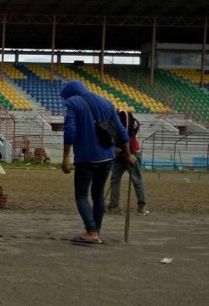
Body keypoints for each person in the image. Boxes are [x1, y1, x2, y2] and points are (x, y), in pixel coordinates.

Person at [60, 80, 135, 245]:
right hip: (107, 157)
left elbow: (70, 130)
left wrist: (65, 157)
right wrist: (129, 154)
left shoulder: (72, 103)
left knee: (81, 195)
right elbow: (122, 131)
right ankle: (97, 231)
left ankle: (91, 231)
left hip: (86, 157)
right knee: (98, 195)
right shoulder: (106, 102)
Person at [108, 110, 148, 214]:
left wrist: (128, 154)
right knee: (114, 179)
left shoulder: (123, 122)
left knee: (136, 179)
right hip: (119, 155)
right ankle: (114, 206)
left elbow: (126, 138)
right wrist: (114, 148)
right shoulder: (109, 123)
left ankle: (142, 205)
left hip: (132, 153)